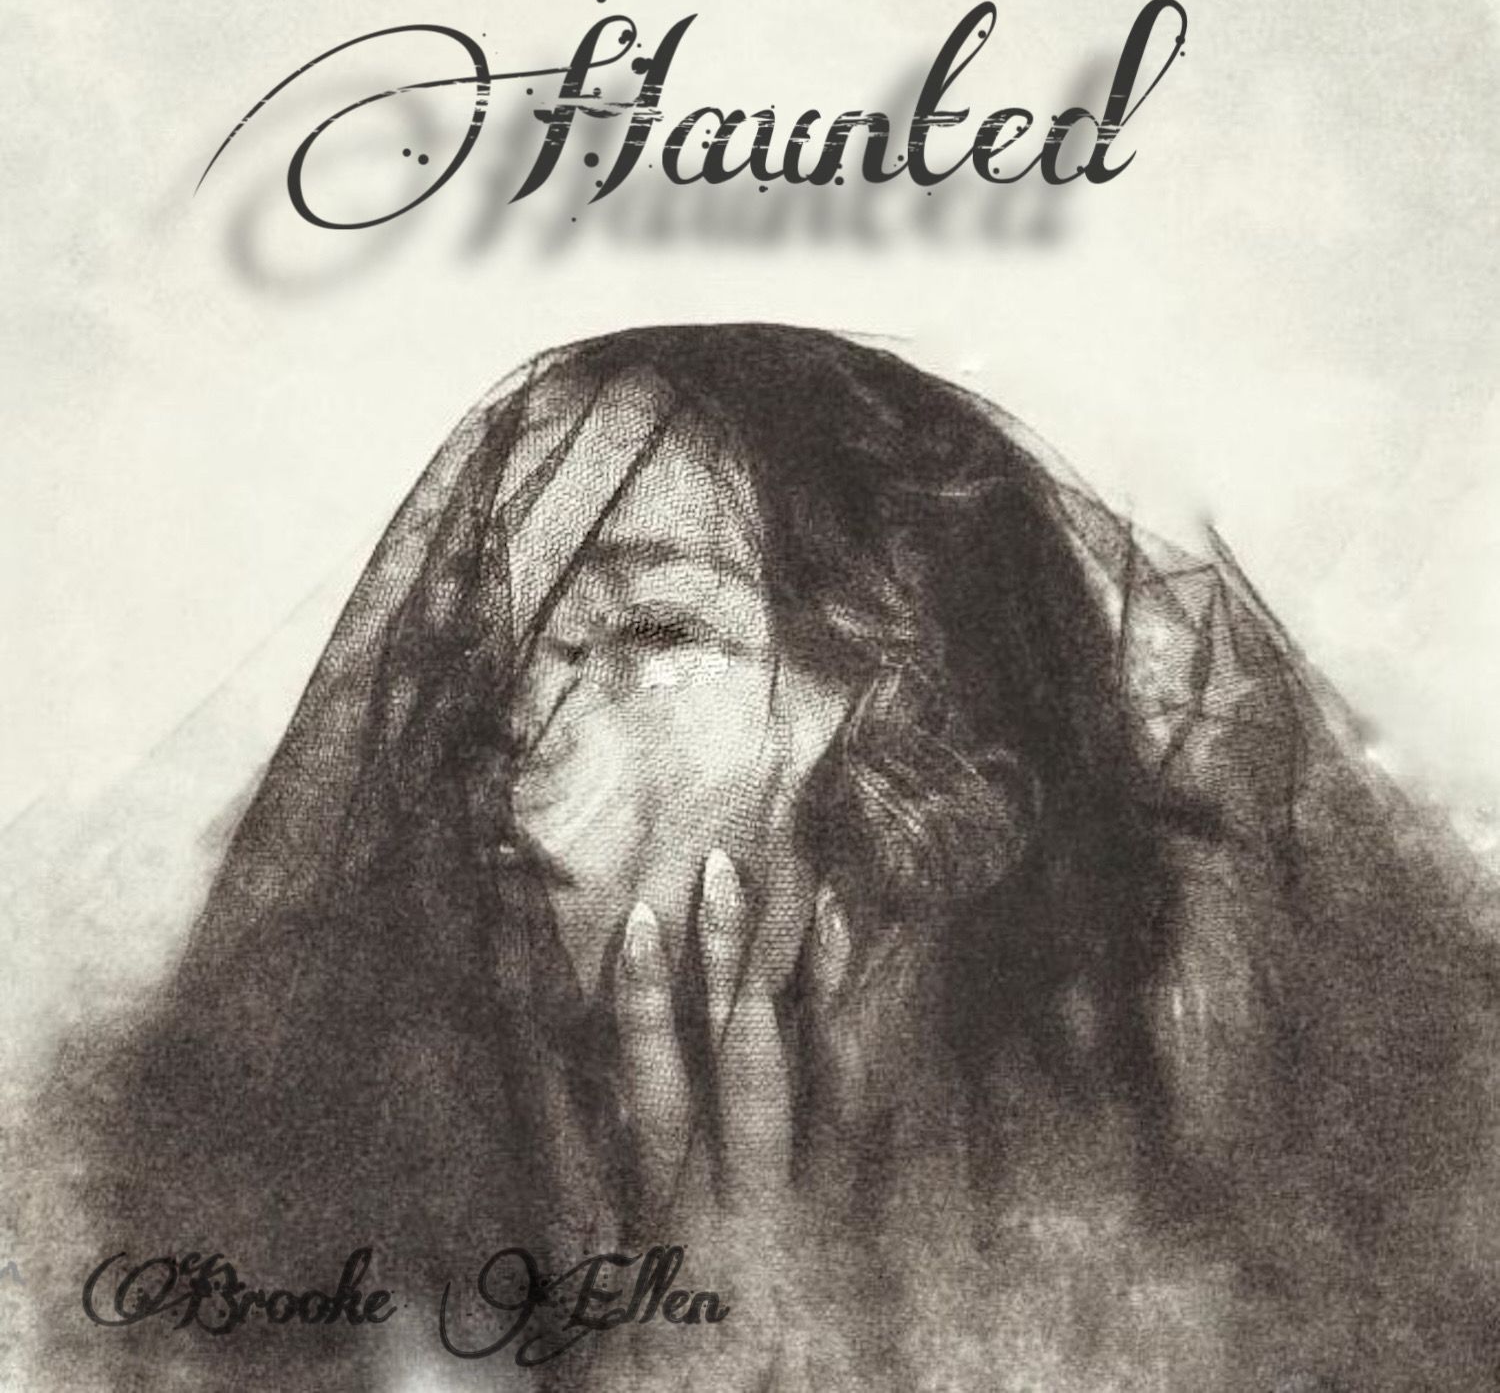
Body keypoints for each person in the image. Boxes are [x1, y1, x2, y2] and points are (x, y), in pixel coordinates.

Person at [33, 324, 1500, 1390]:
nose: (509, 723)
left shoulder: (1232, 1204)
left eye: (651, 629)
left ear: (927, 733)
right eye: (485, 645)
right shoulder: (337, 1230)